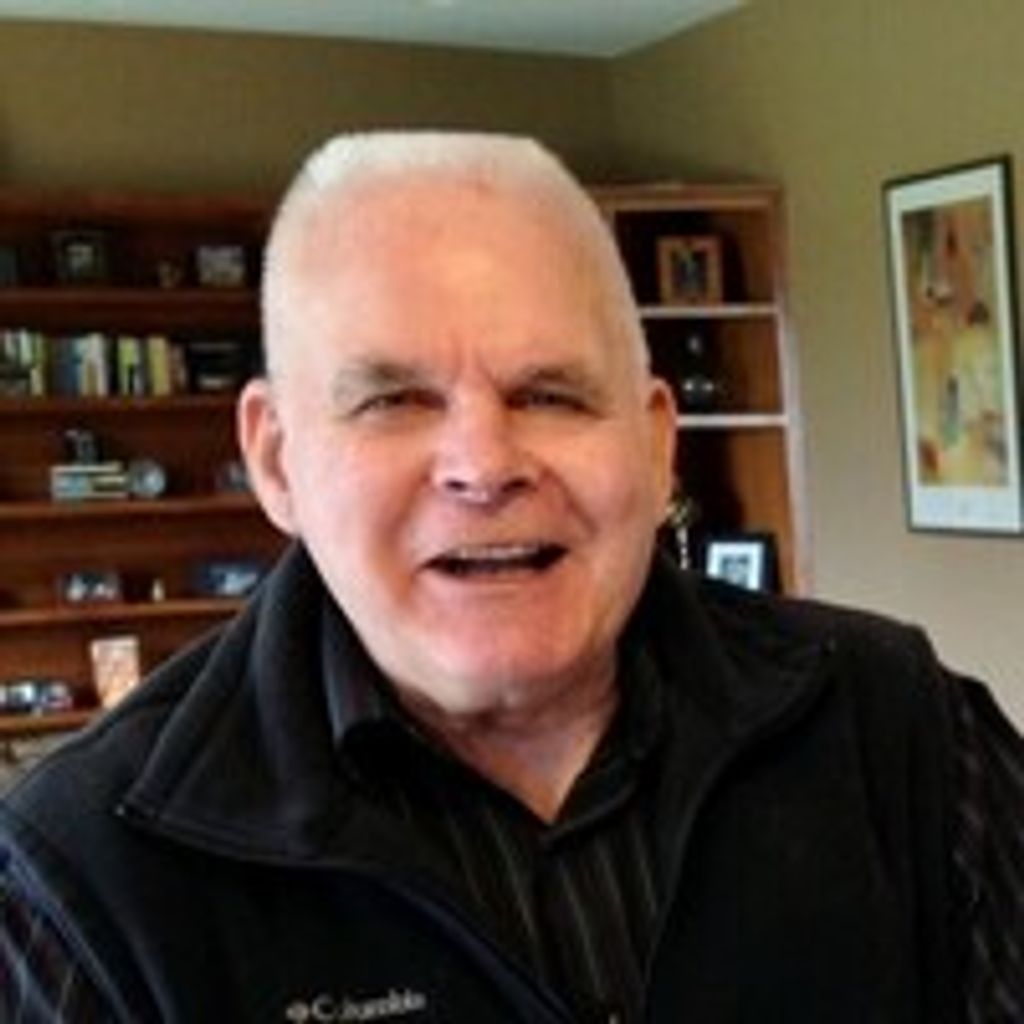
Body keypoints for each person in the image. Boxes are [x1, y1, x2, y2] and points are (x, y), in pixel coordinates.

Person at [2, 131, 1022, 1023]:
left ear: (656, 443)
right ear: (276, 461)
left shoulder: (904, 730)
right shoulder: (83, 878)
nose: (484, 465)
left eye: (550, 394)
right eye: (393, 400)